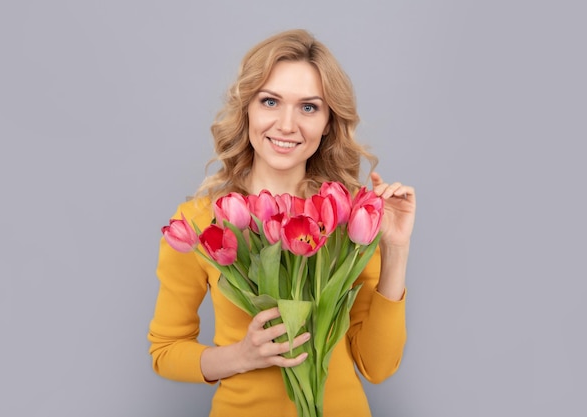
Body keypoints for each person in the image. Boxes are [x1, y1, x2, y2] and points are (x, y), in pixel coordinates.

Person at [148, 29, 416, 417]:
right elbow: (165, 351)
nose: (287, 125)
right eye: (270, 101)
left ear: (328, 122)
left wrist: (396, 250)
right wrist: (241, 356)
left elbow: (377, 366)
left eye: (309, 107)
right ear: (247, 110)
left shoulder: (348, 216)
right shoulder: (201, 222)